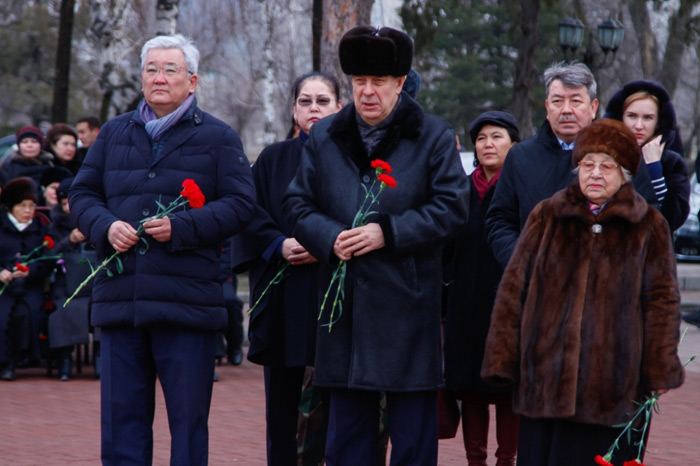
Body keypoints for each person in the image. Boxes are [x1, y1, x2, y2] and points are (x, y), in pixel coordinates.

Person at [283, 26, 470, 466]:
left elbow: (453, 207)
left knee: (412, 446)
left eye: (379, 83)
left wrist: (389, 231)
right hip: (343, 314)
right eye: (359, 82)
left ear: (401, 83)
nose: (368, 93)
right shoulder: (326, 136)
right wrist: (330, 237)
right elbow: (296, 203)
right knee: (347, 445)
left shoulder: (433, 136)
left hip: (408, 309)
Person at [68, 34, 256, 465]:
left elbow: (242, 205)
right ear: (141, 78)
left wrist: (182, 226)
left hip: (185, 303)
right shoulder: (114, 132)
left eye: (170, 70)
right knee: (121, 428)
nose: (159, 78)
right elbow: (82, 195)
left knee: (188, 428)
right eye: (151, 69)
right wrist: (106, 225)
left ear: (192, 82)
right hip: (122, 302)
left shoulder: (218, 137)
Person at [481, 119, 685, 466]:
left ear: (624, 174)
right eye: (587, 165)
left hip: (614, 385)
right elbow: (513, 290)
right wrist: (503, 357)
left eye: (607, 166)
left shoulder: (649, 224)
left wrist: (661, 365)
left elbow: (662, 301)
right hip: (545, 380)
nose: (595, 174)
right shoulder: (546, 216)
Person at [232, 70, 342, 465]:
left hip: (336, 298)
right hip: (284, 299)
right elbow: (249, 214)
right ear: (294, 110)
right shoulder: (273, 159)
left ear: (339, 107)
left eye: (323, 101)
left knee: (338, 411)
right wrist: (279, 245)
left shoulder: (356, 159)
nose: (314, 108)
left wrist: (325, 243)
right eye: (305, 101)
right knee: (281, 413)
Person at [486, 62, 661, 269]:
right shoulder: (520, 156)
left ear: (593, 107)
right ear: (547, 107)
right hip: (534, 285)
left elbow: (647, 216)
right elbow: (500, 220)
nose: (566, 110)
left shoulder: (620, 153)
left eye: (576, 101)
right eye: (557, 101)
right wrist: (521, 261)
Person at [442, 111, 520, 466]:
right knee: (470, 391)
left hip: (506, 309)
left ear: (514, 144)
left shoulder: (518, 189)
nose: (488, 144)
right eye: (482, 138)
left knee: (507, 392)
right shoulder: (461, 191)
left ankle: (506, 460)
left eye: (497, 137)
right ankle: (476, 460)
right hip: (464, 309)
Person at [604, 79, 690, 232]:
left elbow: (673, 219)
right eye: (632, 116)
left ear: (658, 122)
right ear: (620, 117)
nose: (638, 125)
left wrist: (654, 168)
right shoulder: (602, 157)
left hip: (653, 251)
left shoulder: (672, 163)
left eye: (647, 118)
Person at [0, 177, 52, 381]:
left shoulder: (40, 229)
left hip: (30, 286)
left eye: (32, 206)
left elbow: (47, 261)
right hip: (3, 286)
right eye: (22, 206)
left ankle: (14, 361)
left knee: (24, 313)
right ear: (11, 207)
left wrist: (31, 271)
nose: (28, 211)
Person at [47, 176, 92, 381]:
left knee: (100, 304)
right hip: (65, 283)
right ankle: (64, 360)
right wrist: (69, 241)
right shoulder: (54, 225)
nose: (68, 208)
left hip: (91, 282)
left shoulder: (93, 219)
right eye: (65, 203)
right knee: (62, 308)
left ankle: (100, 359)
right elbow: (48, 256)